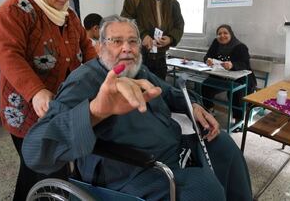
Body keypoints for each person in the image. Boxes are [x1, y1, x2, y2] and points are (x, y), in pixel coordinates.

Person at [22, 16, 252, 201]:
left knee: (223, 144)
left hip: (173, 149)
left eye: (133, 41)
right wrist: (96, 111)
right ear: (101, 46)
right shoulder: (83, 81)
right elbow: (35, 152)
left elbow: (170, 92)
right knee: (204, 190)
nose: (127, 48)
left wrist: (194, 104)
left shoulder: (138, 71)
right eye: (117, 41)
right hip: (132, 169)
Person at [0, 0, 97, 201]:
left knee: (45, 166)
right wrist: (36, 91)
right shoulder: (16, 10)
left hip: (59, 105)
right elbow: (8, 55)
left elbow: (87, 49)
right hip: (26, 105)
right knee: (40, 165)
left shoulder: (69, 16)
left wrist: (104, 74)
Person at [121, 0, 184, 80]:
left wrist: (170, 38)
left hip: (160, 58)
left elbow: (179, 25)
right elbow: (126, 22)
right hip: (137, 57)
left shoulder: (173, 3)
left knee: (158, 91)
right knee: (138, 93)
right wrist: (142, 35)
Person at [202, 24, 257, 121]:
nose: (222, 36)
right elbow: (207, 56)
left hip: (242, 78)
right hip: (222, 75)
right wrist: (208, 60)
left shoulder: (240, 47)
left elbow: (245, 64)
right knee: (206, 85)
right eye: (219, 34)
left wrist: (232, 65)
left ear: (231, 34)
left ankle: (238, 120)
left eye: (225, 33)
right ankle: (209, 109)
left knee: (236, 93)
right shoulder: (216, 43)